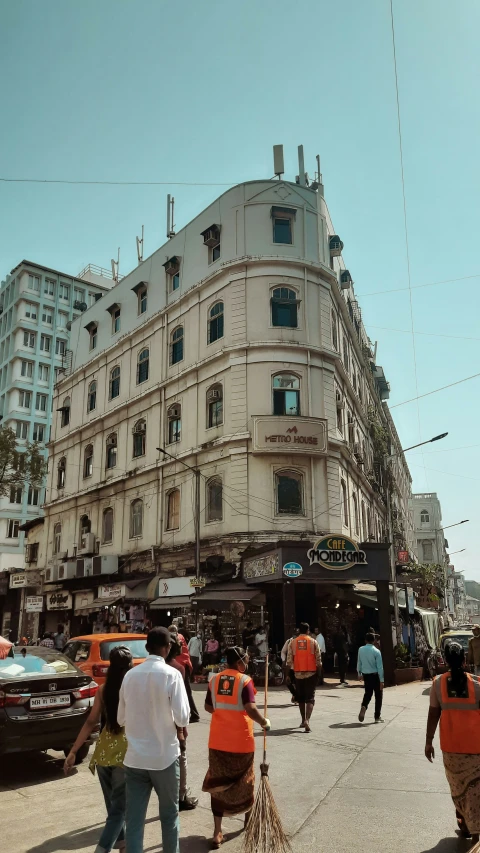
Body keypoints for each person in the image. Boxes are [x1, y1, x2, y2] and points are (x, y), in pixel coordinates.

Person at [118, 627, 189, 853]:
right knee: (169, 817)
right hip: (164, 758)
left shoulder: (130, 675)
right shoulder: (172, 675)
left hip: (135, 759)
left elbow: (120, 718)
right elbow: (183, 716)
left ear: (147, 648)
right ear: (168, 648)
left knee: (135, 821)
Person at [64, 646, 133, 853]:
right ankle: (102, 849)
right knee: (119, 810)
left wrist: (74, 751)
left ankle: (123, 845)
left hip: (103, 754)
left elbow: (90, 722)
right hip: (125, 754)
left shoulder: (104, 689)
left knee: (114, 808)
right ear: (129, 666)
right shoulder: (132, 689)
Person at [202, 646, 271, 849]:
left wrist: (221, 709)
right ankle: (248, 823)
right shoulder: (245, 681)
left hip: (218, 742)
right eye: (246, 659)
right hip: (241, 742)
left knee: (218, 784)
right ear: (240, 662)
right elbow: (250, 708)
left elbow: (208, 706)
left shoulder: (214, 680)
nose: (247, 662)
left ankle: (217, 832)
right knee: (246, 780)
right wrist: (264, 722)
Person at [425, 641, 480, 845]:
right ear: (465, 660)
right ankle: (475, 832)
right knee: (475, 791)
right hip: (475, 749)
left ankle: (465, 825)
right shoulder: (477, 685)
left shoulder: (437, 683)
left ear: (445, 661)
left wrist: (428, 741)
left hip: (451, 749)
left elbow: (433, 714)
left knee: (458, 790)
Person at [165, 640, 199, 811]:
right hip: (175, 723)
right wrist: (182, 727)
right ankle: (181, 795)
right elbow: (182, 700)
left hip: (158, 724)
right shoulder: (178, 668)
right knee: (181, 758)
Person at [287, 623, 322, 732]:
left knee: (301, 697)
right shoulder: (313, 642)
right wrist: (319, 673)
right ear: (308, 631)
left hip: (298, 673)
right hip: (311, 673)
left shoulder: (292, 643)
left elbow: (289, 661)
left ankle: (303, 720)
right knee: (310, 697)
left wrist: (288, 675)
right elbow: (319, 660)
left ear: (299, 630)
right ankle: (307, 720)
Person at [169, 624, 200, 723]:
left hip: (180, 665)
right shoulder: (180, 637)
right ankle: (192, 713)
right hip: (183, 665)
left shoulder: (175, 638)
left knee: (185, 691)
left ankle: (194, 714)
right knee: (185, 691)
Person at [357, 632, 384, 723]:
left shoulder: (361, 649)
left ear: (365, 640)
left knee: (368, 694)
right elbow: (380, 667)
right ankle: (377, 717)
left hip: (366, 676)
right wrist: (382, 680)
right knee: (378, 696)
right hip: (375, 676)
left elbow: (359, 662)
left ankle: (364, 707)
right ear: (374, 641)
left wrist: (359, 673)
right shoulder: (377, 651)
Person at [281, 628, 299, 704]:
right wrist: (284, 660)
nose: (296, 635)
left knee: (298, 683)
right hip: (290, 666)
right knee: (288, 682)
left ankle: (297, 698)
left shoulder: (302, 642)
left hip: (299, 667)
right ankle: (295, 695)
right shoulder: (289, 641)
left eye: (297, 634)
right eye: (295, 633)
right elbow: (283, 651)